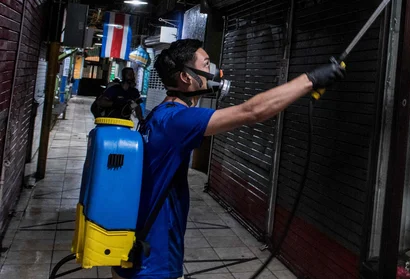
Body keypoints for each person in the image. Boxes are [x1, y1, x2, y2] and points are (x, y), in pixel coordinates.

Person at [112, 39, 345, 279]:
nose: (214, 70)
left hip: (138, 250)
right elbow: (252, 112)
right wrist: (311, 80)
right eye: (206, 63)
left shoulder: (159, 115)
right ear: (185, 77)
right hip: (152, 263)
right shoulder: (177, 122)